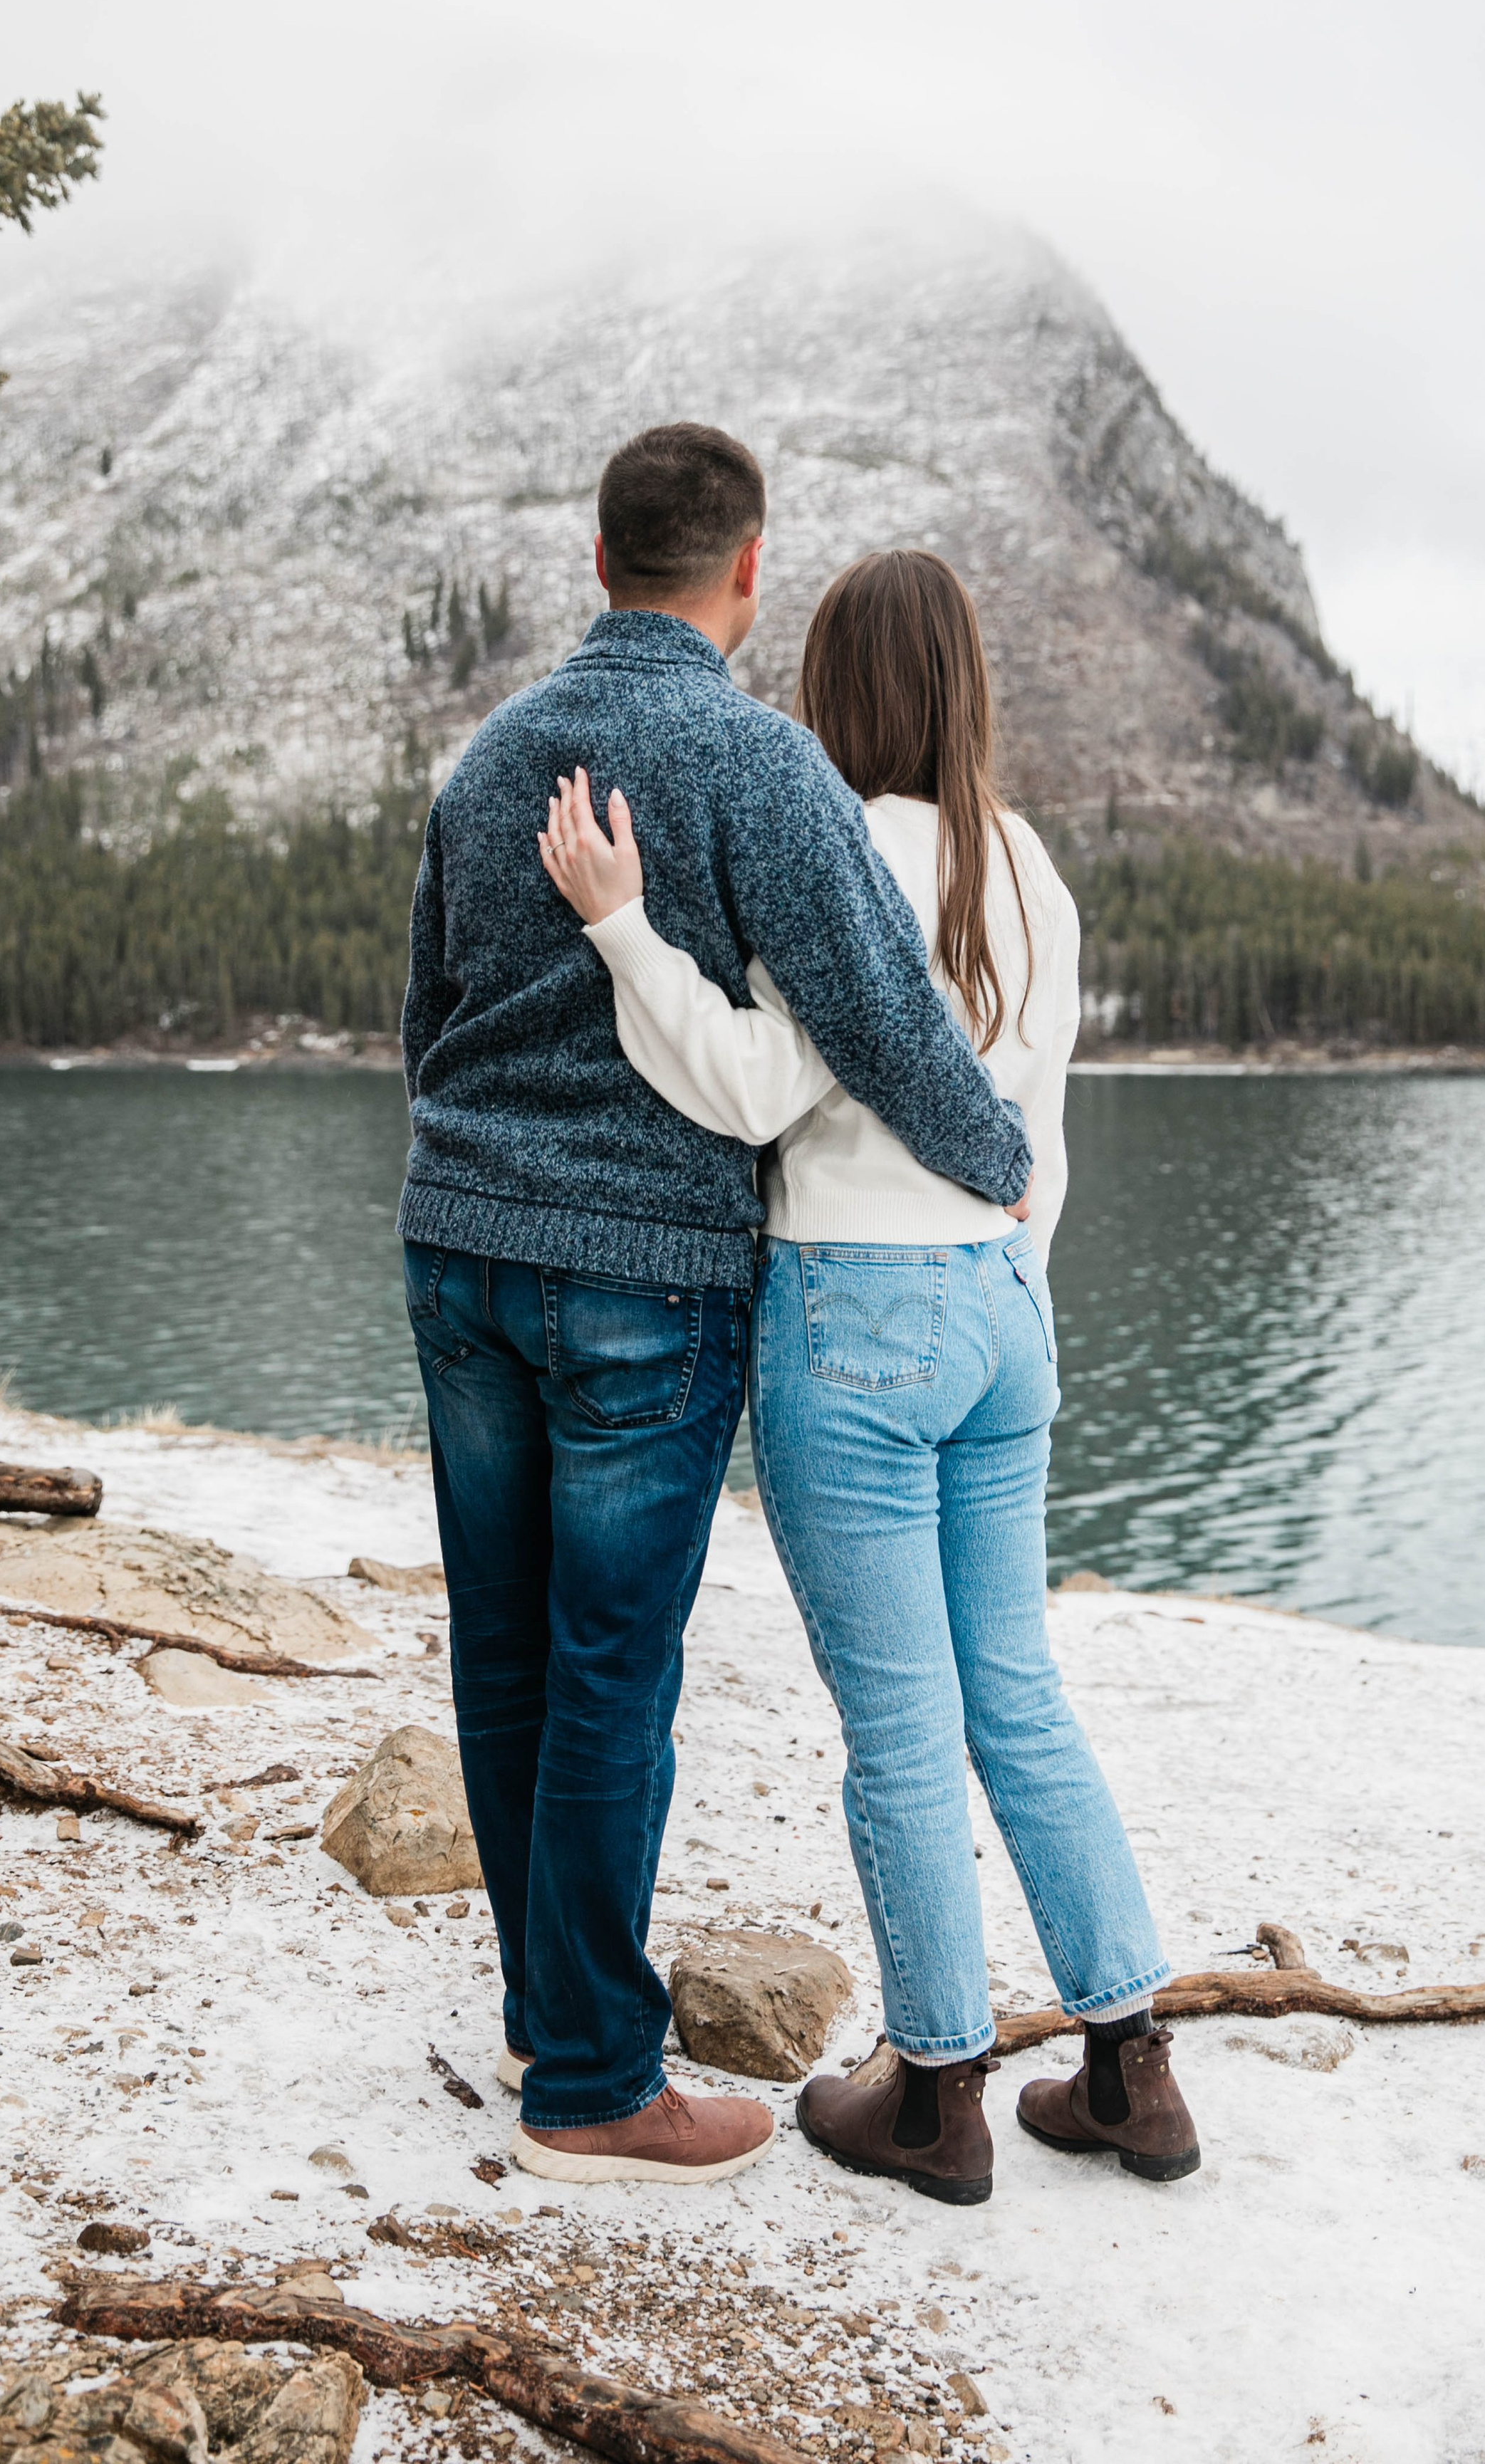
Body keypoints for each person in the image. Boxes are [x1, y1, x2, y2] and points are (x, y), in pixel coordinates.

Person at [399, 429, 1034, 2188]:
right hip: (641, 1281)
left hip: (456, 1247)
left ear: (596, 557)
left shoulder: (486, 761)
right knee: (610, 1667)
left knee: (507, 1652)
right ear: (746, 575)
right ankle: (594, 2082)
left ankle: (552, 2012)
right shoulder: (758, 764)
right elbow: (882, 1013)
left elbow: (422, 1018)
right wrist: (994, 1157)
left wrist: (468, 1176)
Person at [538, 546, 1197, 2206]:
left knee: (901, 1728)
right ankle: (1129, 2069)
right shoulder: (1027, 863)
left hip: (857, 1316)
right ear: (967, 685)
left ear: (838, 693)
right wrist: (1010, 1292)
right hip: (1004, 1308)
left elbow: (755, 1086)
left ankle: (931, 2096)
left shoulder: (843, 849)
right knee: (1019, 1700)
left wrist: (621, 932)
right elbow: (1034, 1135)